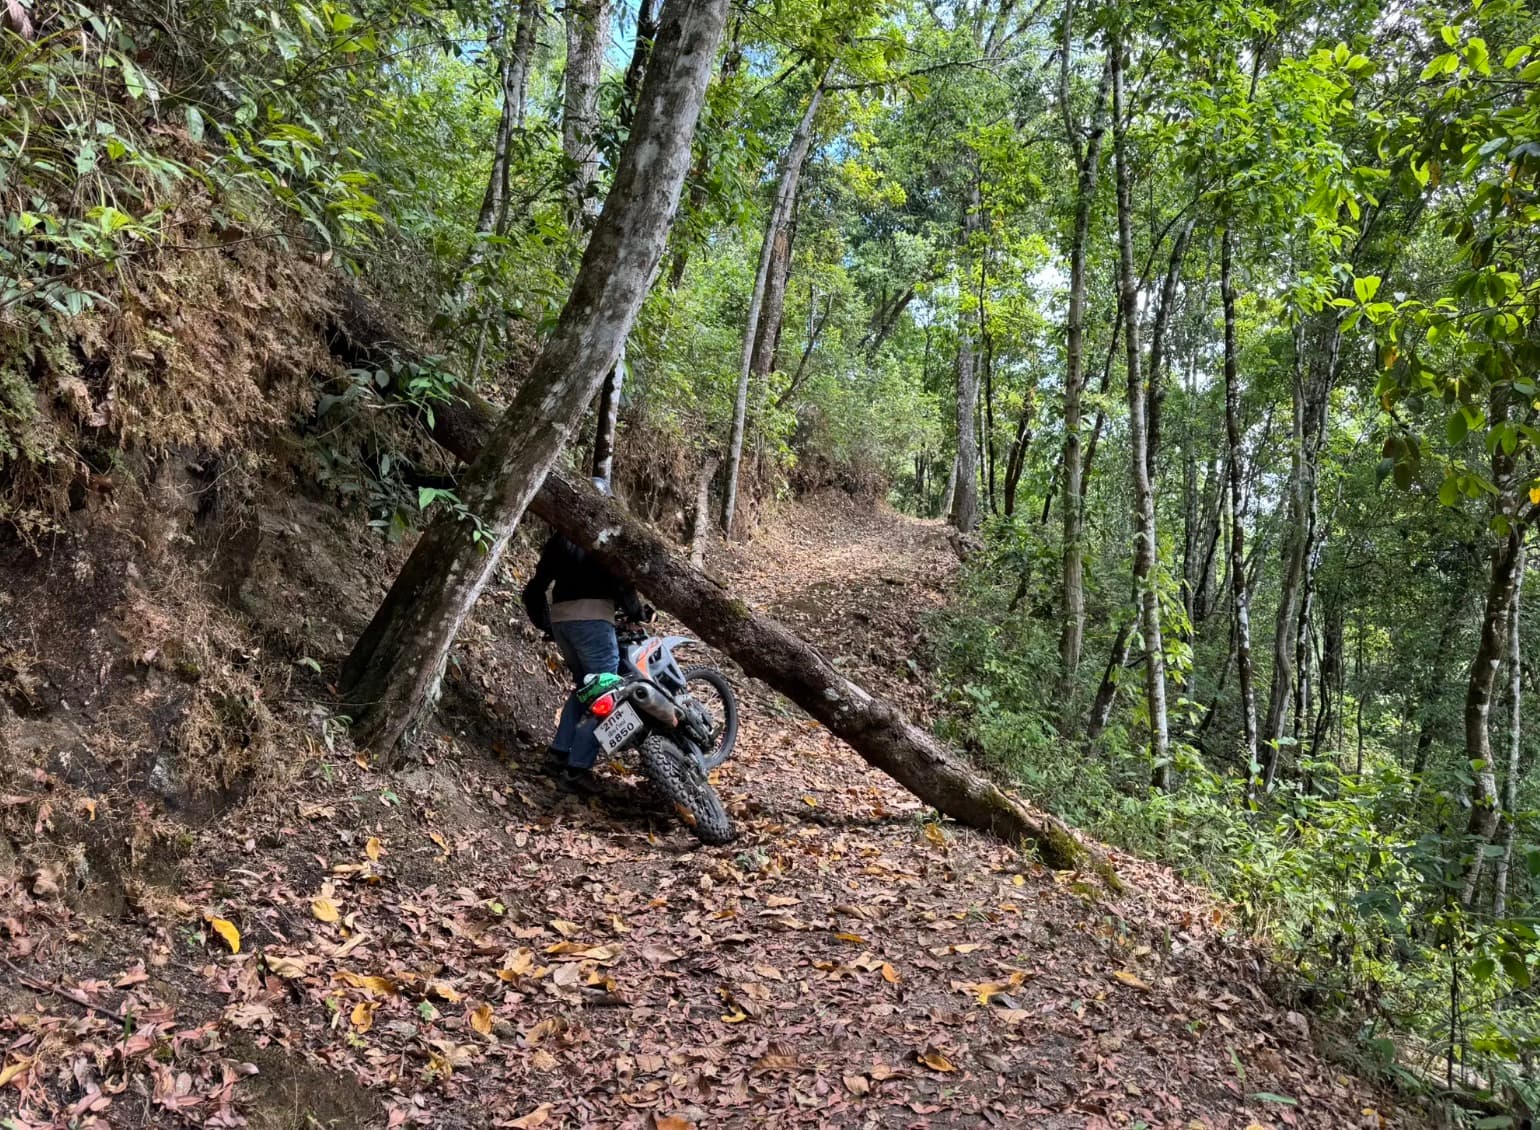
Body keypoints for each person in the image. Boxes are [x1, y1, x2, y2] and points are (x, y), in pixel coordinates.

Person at [521, 477, 651, 787]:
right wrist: (636, 612)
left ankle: (558, 752)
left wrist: (548, 625)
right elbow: (622, 583)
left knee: (584, 689)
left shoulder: (559, 539)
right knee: (610, 694)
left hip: (563, 623)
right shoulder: (606, 540)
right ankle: (578, 766)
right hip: (593, 622)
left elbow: (533, 590)